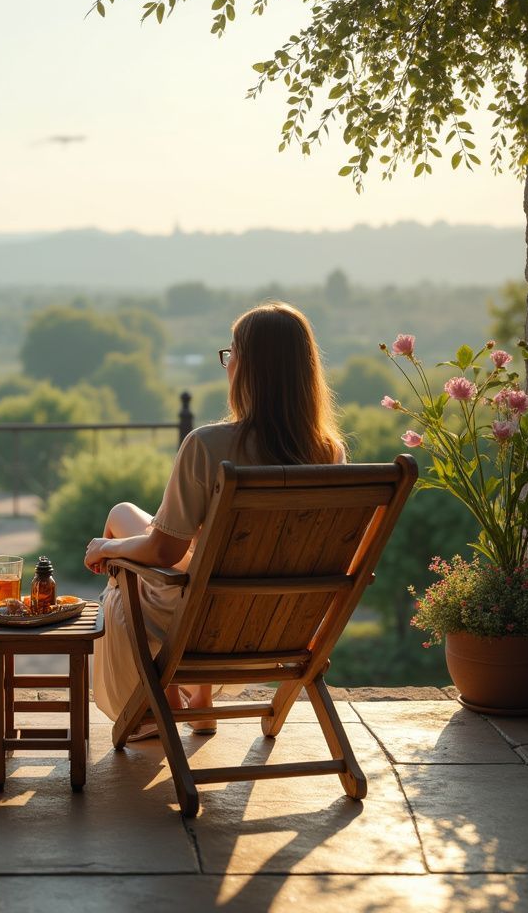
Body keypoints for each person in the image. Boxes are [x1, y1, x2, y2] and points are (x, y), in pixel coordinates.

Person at [84, 302, 345, 738]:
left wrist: (107, 548)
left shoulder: (208, 446)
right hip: (280, 619)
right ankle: (199, 698)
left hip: (205, 622)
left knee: (122, 577)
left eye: (232, 353)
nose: (228, 364)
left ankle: (165, 701)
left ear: (249, 369)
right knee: (125, 515)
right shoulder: (329, 452)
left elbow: (166, 551)